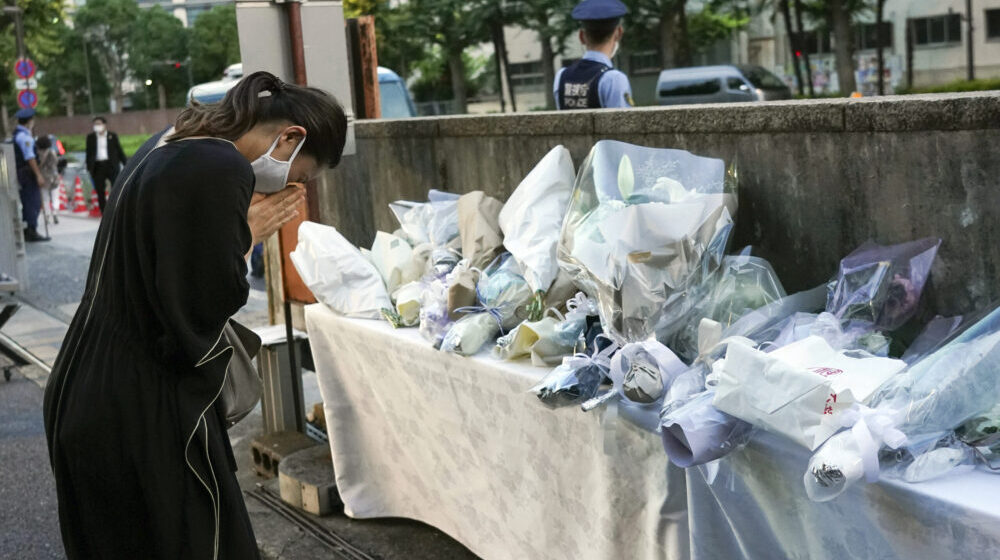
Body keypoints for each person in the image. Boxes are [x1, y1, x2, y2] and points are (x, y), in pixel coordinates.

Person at [43, 71, 348, 559]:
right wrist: (245, 239)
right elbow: (195, 312)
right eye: (303, 175)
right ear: (290, 137)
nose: (294, 186)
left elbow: (161, 278)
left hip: (85, 389)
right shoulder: (218, 166)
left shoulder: (169, 144)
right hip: (141, 410)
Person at [554, 0, 635, 110]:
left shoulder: (561, 76)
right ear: (618, 33)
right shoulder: (614, 79)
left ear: (581, 36)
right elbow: (623, 125)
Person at [12, 108, 50, 242]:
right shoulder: (24, 137)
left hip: (23, 173)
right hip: (27, 174)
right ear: (29, 121)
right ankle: (31, 230)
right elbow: (30, 157)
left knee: (29, 201)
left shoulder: (18, 134)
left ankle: (28, 229)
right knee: (32, 202)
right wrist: (38, 175)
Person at [85, 116, 128, 213]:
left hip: (111, 165)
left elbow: (119, 150)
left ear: (104, 125)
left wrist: (126, 164)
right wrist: (89, 167)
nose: (97, 126)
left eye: (99, 124)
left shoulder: (112, 136)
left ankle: (116, 209)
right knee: (100, 190)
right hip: (97, 166)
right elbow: (88, 153)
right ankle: (103, 211)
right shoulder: (90, 137)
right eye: (95, 124)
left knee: (116, 188)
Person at [36, 135, 61, 225]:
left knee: (45, 198)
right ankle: (55, 213)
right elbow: (55, 163)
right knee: (55, 197)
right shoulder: (52, 152)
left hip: (43, 177)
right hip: (53, 177)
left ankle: (47, 215)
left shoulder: (37, 154)